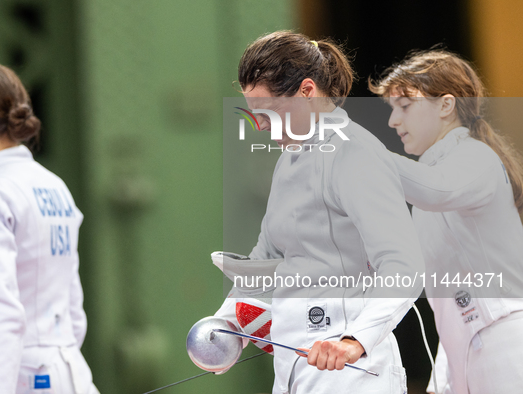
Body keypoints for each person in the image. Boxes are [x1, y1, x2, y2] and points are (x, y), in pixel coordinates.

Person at [214, 31, 424, 394]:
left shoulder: (355, 153)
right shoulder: (289, 161)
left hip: (352, 371)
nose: (260, 125)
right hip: (295, 366)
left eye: (269, 111)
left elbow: (403, 264)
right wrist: (226, 324)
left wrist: (354, 340)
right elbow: (267, 258)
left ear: (307, 91)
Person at [369, 49, 523, 394]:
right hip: (466, 355)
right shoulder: (426, 191)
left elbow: (437, 189)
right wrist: (444, 374)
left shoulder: (475, 158)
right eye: (392, 109)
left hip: (510, 344)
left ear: (445, 105)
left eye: (405, 106)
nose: (394, 121)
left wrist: (357, 152)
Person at [0, 63, 99, 394]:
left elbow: (1, 313)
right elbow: (74, 306)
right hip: (71, 373)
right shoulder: (55, 186)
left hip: (21, 378)